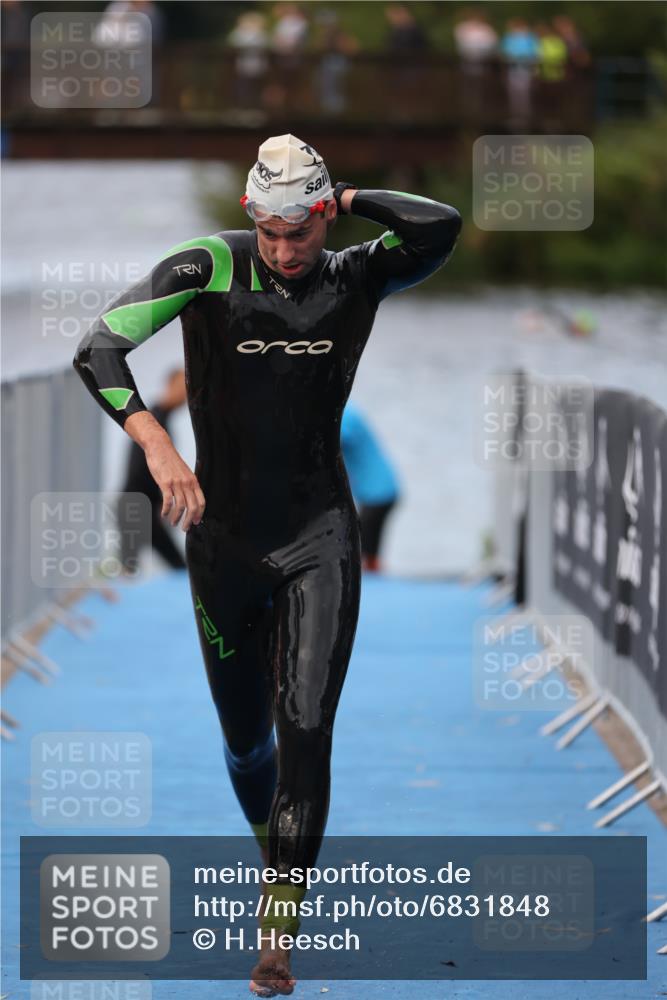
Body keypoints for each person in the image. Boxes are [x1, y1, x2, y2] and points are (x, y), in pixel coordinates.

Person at [73, 133, 461, 996]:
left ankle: (275, 933)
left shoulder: (360, 274)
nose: (286, 253)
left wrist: (351, 198)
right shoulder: (207, 265)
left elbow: (442, 225)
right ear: (249, 216)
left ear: (323, 215)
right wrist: (157, 446)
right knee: (247, 741)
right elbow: (96, 348)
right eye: (271, 233)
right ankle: (268, 849)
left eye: (302, 231)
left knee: (306, 729)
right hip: (223, 542)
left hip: (321, 532)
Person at [117, 368, 188, 574]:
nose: (186, 394)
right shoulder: (153, 420)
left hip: (137, 504)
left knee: (128, 567)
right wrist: (159, 501)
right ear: (170, 385)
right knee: (178, 568)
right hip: (137, 505)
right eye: (182, 386)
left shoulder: (159, 418)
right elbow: (140, 468)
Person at [341, 403, 400, 572]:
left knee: (363, 550)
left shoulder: (345, 415)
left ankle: (373, 585)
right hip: (381, 490)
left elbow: (331, 441)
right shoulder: (347, 411)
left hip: (379, 493)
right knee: (366, 549)